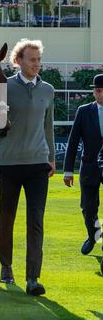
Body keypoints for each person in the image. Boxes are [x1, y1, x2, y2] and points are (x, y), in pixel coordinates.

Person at [0, 39, 55, 296]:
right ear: (18, 61)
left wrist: (51, 157)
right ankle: (6, 266)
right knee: (7, 217)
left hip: (38, 164)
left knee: (36, 221)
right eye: (32, 60)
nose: (37, 65)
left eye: (39, 60)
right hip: (9, 162)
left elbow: (48, 126)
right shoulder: (4, 87)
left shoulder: (48, 90)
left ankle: (33, 278)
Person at [63, 73, 103, 255]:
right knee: (88, 208)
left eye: (102, 90)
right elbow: (72, 142)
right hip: (89, 167)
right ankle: (93, 235)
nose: (100, 94)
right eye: (98, 90)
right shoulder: (84, 111)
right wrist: (68, 170)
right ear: (94, 92)